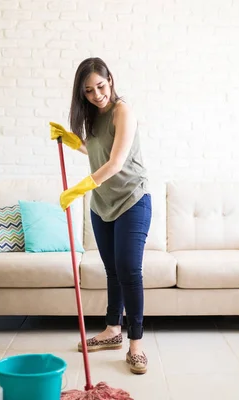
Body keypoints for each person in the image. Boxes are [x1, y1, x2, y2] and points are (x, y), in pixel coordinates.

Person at [49, 57, 151, 375]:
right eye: (89, 91)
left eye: (101, 86)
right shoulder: (92, 116)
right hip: (102, 204)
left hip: (133, 200)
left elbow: (116, 162)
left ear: (111, 79)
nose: (97, 95)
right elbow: (96, 151)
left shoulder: (124, 112)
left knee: (129, 270)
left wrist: (78, 188)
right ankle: (111, 331)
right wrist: (72, 140)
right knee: (112, 271)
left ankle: (136, 345)